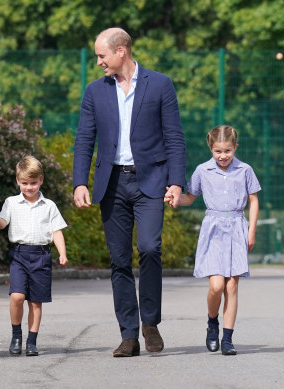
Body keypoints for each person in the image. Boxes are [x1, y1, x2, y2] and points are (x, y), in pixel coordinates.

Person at [72, 27, 186, 357]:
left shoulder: (160, 84)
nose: (98, 62)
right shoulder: (95, 92)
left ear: (121, 51)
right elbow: (84, 140)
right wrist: (80, 182)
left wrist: (176, 182)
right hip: (111, 184)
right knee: (120, 260)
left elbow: (175, 137)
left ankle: (150, 322)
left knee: (150, 248)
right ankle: (129, 334)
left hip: (150, 181)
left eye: (101, 55)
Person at [164, 125, 260, 355]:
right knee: (216, 286)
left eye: (227, 150)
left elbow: (253, 201)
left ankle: (227, 338)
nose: (223, 156)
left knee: (232, 286)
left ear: (235, 147)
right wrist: (174, 198)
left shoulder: (245, 170)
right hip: (213, 229)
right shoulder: (202, 170)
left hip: (237, 227)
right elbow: (190, 197)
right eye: (218, 151)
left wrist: (252, 231)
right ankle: (212, 323)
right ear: (211, 148)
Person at [0, 156, 68, 357]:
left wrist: (62, 253)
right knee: (17, 296)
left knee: (35, 302)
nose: (29, 187)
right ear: (18, 181)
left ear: (41, 180)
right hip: (20, 255)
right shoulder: (11, 203)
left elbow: (57, 231)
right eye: (24, 183)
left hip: (41, 255)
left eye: (33, 183)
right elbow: (2, 223)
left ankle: (32, 341)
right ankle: (16, 335)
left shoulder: (49, 205)